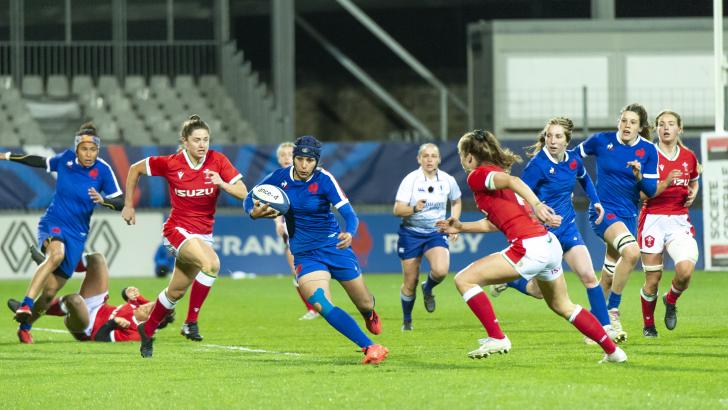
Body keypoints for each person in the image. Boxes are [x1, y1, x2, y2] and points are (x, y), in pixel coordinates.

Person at [437, 129, 626, 363]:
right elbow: (495, 224)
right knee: (562, 305)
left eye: (461, 155)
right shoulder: (495, 176)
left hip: (528, 247)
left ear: (468, 157)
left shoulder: (477, 175)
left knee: (464, 279)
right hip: (548, 245)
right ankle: (614, 352)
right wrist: (461, 227)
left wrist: (536, 204)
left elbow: (513, 180)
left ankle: (497, 337)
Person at [244, 135, 388, 365]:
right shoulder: (279, 178)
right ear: (293, 158)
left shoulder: (324, 179)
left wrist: (350, 233)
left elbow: (349, 213)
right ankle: (369, 346)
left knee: (364, 302)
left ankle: (369, 313)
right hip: (305, 254)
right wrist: (253, 212)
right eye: (299, 159)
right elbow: (250, 198)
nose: (304, 165)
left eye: (309, 161)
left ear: (316, 162)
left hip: (334, 247)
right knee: (322, 303)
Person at [122, 115, 248, 358]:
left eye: (206, 140)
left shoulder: (218, 161)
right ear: (185, 142)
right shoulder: (171, 163)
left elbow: (243, 192)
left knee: (175, 293)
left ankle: (147, 330)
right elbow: (134, 168)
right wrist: (129, 205)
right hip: (176, 230)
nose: (202, 145)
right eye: (197, 140)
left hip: (203, 234)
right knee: (211, 264)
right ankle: (191, 322)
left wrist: (222, 183)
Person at [491, 117, 621, 342]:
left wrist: (596, 201)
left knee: (589, 276)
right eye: (549, 136)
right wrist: (541, 215)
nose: (552, 140)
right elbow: (520, 198)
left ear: (567, 140)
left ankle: (605, 328)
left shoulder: (573, 161)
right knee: (539, 292)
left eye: (558, 136)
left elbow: (584, 178)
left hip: (568, 228)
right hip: (541, 234)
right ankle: (512, 281)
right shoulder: (538, 166)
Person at [1, 123, 123, 344]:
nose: (89, 154)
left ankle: (25, 327)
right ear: (77, 148)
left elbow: (121, 201)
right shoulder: (65, 160)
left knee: (48, 295)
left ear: (98, 150)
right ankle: (26, 303)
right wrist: (7, 156)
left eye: (93, 149)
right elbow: (38, 161)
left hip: (78, 235)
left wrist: (104, 200)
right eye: (84, 149)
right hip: (53, 222)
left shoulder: (103, 170)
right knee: (56, 254)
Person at [577, 103, 678, 338]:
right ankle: (613, 311)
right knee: (632, 253)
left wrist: (639, 176)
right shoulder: (601, 141)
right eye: (624, 120)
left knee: (609, 274)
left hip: (628, 216)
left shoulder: (648, 151)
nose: (626, 125)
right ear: (618, 122)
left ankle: (594, 328)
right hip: (603, 212)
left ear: (640, 127)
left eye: (632, 122)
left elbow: (651, 190)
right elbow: (571, 158)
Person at [8, 246, 174, 342]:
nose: (147, 305)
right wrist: (127, 291)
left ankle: (29, 318)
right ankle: (58, 267)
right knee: (97, 259)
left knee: (75, 300)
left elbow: (99, 338)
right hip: (98, 304)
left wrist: (113, 323)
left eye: (151, 309)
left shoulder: (136, 334)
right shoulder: (148, 306)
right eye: (153, 303)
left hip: (87, 327)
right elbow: (129, 296)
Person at [638, 110, 700, 337]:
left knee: (684, 272)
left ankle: (670, 299)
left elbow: (693, 181)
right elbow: (640, 195)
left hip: (678, 220)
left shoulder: (689, 157)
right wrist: (664, 183)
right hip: (653, 219)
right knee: (652, 280)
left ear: (679, 129)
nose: (666, 128)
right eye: (661, 124)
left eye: (671, 124)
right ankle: (648, 325)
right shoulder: (647, 155)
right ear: (656, 129)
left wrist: (692, 194)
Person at [393, 143, 461, 330]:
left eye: (433, 156)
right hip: (411, 234)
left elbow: (456, 200)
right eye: (425, 156)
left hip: (435, 233)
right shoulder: (411, 180)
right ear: (419, 159)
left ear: (439, 159)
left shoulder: (447, 180)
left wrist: (454, 221)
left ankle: (428, 288)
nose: (430, 159)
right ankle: (407, 320)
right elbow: (397, 210)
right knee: (410, 282)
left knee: (440, 271)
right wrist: (414, 208)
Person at [274, 142, 319, 320]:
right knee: (297, 270)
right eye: (282, 155)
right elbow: (274, 203)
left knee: (319, 268)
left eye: (289, 154)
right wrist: (277, 222)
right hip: (292, 232)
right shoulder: (277, 180)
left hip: (313, 230)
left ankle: (319, 305)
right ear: (278, 159)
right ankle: (313, 309)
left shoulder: (309, 177)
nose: (286, 157)